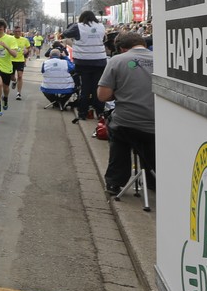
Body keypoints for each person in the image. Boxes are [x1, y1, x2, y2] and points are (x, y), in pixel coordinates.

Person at [97, 31, 156, 196]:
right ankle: (153, 179)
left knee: (117, 131)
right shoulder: (163, 59)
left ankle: (115, 181)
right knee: (150, 142)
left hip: (127, 123)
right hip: (157, 124)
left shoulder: (117, 60)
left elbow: (102, 96)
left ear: (122, 48)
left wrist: (119, 92)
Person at [64, 10, 108, 123]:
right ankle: (100, 112)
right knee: (97, 87)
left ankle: (83, 113)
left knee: (85, 88)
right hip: (100, 61)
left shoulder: (78, 27)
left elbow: (66, 33)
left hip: (83, 62)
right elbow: (103, 39)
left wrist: (73, 25)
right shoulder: (101, 26)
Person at [11, 27, 32, 100]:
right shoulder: (10, 39)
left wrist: (27, 50)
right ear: (13, 32)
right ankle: (14, 81)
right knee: (12, 77)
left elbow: (29, 47)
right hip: (11, 60)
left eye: (19, 31)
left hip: (20, 60)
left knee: (20, 76)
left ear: (21, 32)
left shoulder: (24, 39)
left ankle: (18, 93)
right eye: (16, 31)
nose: (17, 33)